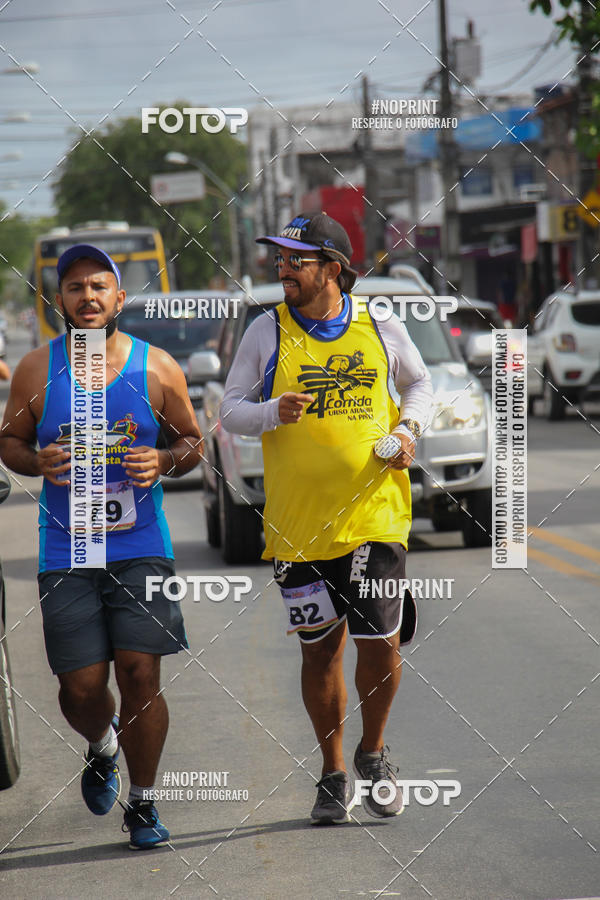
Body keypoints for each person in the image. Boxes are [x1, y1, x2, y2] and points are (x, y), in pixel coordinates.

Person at [220, 213, 433, 824]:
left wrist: (407, 430)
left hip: (374, 512)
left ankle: (374, 751)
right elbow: (230, 410)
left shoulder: (381, 324)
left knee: (380, 643)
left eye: (296, 259)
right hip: (298, 527)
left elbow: (419, 386)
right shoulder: (267, 331)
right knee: (319, 652)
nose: (282, 268)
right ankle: (334, 772)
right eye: (280, 259)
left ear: (333, 268)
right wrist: (269, 412)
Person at [0, 244, 202, 849]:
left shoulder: (157, 366)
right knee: (80, 688)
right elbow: (7, 443)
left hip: (141, 544)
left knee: (141, 673)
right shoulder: (37, 370)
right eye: (74, 288)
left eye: (98, 286)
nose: (87, 297)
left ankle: (143, 804)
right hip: (68, 549)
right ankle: (102, 742)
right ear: (58, 300)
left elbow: (193, 442)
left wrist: (163, 458)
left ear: (118, 297)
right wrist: (36, 459)